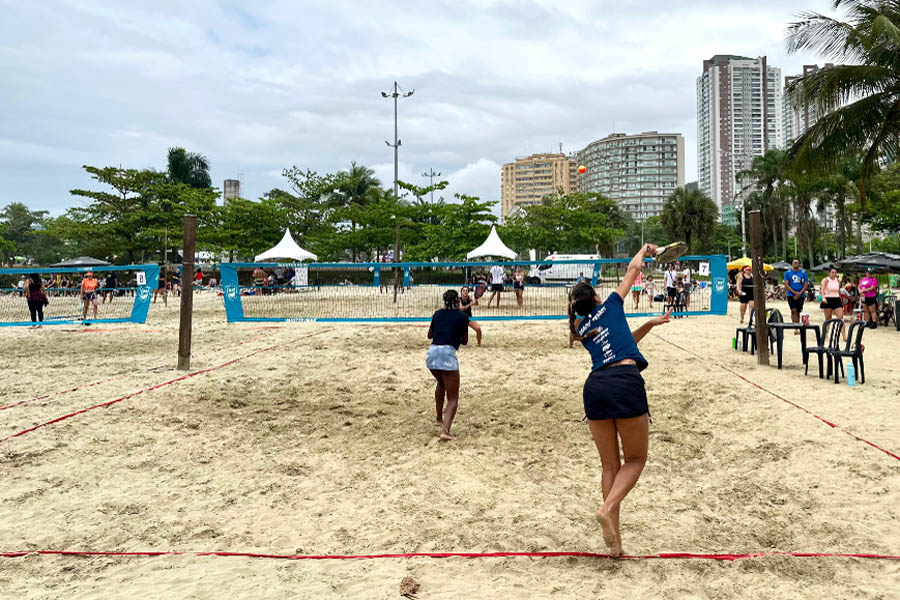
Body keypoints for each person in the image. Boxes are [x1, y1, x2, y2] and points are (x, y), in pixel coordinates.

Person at [569, 243, 673, 558]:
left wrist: (649, 325)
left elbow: (622, 344)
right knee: (636, 460)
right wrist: (644, 249)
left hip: (595, 387)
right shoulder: (612, 304)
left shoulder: (581, 328)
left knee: (609, 465)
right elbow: (633, 269)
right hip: (625, 384)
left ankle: (615, 545)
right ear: (597, 298)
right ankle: (607, 508)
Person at [426, 289, 469, 441]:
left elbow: (430, 335)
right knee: (453, 398)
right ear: (458, 301)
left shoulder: (437, 314)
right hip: (447, 353)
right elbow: (464, 341)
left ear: (444, 302)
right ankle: (445, 430)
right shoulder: (463, 317)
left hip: (432, 354)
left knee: (440, 383)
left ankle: (439, 418)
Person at [819, 268, 847, 340]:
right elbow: (822, 290)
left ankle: (844, 336)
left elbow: (839, 291)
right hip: (828, 298)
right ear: (829, 273)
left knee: (840, 318)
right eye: (832, 272)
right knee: (828, 318)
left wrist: (841, 298)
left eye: (835, 272)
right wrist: (823, 298)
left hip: (836, 299)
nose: (833, 274)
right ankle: (825, 333)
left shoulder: (837, 281)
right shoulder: (826, 280)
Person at [783, 259, 809, 330]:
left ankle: (798, 324)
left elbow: (806, 284)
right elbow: (786, 284)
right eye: (794, 263)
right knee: (793, 310)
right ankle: (795, 327)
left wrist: (799, 293)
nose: (795, 264)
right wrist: (794, 293)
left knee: (798, 311)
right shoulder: (787, 273)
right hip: (791, 294)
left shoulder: (803, 273)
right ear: (792, 264)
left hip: (801, 295)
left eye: (797, 263)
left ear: (799, 264)